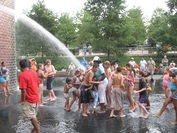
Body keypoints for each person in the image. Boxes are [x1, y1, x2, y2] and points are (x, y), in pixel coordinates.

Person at [18, 59, 40, 133]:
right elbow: (37, 84)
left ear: (21, 67)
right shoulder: (34, 72)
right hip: (36, 98)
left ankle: (38, 131)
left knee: (32, 117)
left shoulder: (23, 75)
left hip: (29, 99)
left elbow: (23, 90)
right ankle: (35, 130)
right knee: (33, 115)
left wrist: (23, 101)